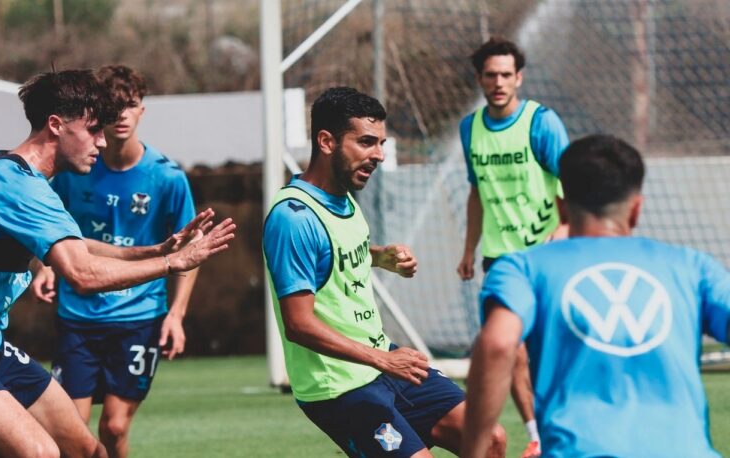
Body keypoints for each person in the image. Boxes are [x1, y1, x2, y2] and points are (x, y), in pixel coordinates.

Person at [0, 69, 235, 458]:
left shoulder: (2, 168)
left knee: (88, 451)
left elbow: (78, 246)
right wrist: (174, 262)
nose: (102, 142)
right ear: (56, 125)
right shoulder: (19, 186)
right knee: (41, 453)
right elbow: (83, 274)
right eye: (93, 129)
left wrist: (154, 250)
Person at [263, 86, 505, 458]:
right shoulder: (293, 218)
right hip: (339, 384)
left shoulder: (343, 198)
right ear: (326, 141)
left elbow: (331, 256)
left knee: (489, 439)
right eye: (366, 142)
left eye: (380, 143)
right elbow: (298, 324)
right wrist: (382, 360)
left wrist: (377, 256)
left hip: (381, 362)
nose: (378, 154)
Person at [461, 134, 729, 457]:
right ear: (636, 210)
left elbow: (497, 344)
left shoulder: (523, 268)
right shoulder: (692, 266)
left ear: (561, 208)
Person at [28, 65, 197, 458]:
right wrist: (44, 267)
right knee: (69, 432)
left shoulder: (167, 177)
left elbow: (190, 252)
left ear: (143, 111)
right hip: (79, 317)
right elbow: (41, 225)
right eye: (113, 106)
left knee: (115, 428)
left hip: (139, 318)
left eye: (131, 105)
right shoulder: (74, 167)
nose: (121, 114)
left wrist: (176, 314)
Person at [456, 36, 570, 458]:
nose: (499, 82)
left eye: (506, 74)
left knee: (553, 347)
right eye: (491, 75)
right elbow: (475, 191)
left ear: (519, 78)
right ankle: (536, 435)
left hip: (549, 255)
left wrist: (568, 229)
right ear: (480, 79)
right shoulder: (470, 128)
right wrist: (469, 249)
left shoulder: (542, 122)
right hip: (501, 260)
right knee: (514, 348)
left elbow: (571, 182)